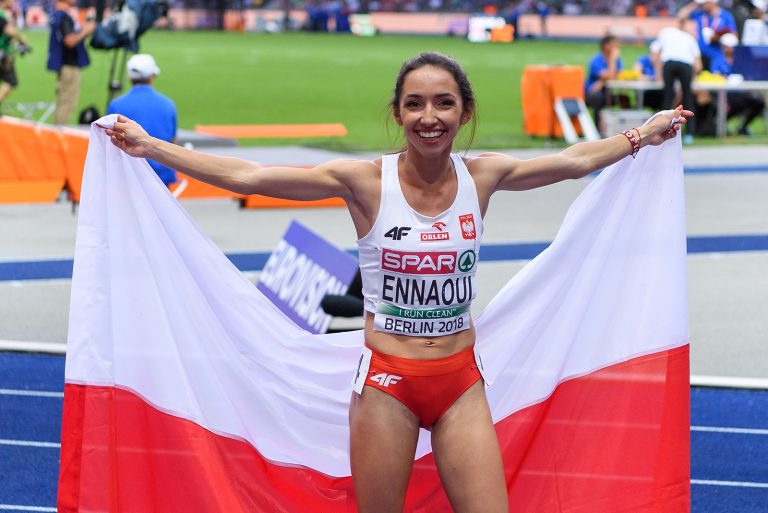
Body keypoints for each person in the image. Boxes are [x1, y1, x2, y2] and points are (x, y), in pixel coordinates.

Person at [104, 51, 692, 513]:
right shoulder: (363, 182)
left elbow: (573, 161)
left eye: (443, 104)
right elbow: (250, 176)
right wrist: (151, 147)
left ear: (465, 113)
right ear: (397, 113)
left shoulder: (483, 176)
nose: (429, 118)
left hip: (460, 384)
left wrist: (643, 134)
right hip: (387, 384)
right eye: (415, 104)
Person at [107, 54, 178, 187]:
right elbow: (172, 141)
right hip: (162, 175)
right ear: (151, 77)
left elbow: (110, 142)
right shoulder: (168, 104)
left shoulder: (116, 105)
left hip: (128, 176)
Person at [47, 0, 95, 125]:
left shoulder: (56, 15)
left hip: (62, 64)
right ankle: (60, 133)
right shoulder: (64, 16)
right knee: (67, 103)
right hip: (69, 65)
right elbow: (70, 41)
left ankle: (57, 131)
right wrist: (86, 30)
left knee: (62, 101)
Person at [655, 19, 702, 142]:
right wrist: (692, 77)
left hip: (669, 64)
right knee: (688, 98)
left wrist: (658, 74)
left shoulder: (667, 32)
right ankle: (690, 132)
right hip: (686, 66)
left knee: (668, 96)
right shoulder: (690, 39)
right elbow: (698, 66)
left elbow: (655, 53)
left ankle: (661, 129)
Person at [710, 32, 766, 135]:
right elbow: (715, 77)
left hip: (742, 93)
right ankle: (717, 128)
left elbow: (748, 74)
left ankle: (743, 127)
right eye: (729, 46)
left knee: (759, 102)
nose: (731, 49)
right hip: (727, 96)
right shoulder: (718, 59)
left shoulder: (740, 59)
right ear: (723, 47)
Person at [677, 0, 737, 69]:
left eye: (704, 4)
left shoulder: (726, 16)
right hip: (699, 51)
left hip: (716, 50)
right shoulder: (699, 14)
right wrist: (694, 4)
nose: (702, 6)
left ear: (711, 2)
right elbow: (681, 16)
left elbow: (734, 35)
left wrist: (717, 37)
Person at [585, 35, 624, 132]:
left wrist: (602, 82)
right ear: (606, 46)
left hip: (608, 90)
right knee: (598, 97)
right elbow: (610, 76)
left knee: (624, 99)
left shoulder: (617, 60)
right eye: (614, 45)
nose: (617, 47)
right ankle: (598, 128)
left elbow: (617, 76)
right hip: (592, 93)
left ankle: (623, 127)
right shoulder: (596, 60)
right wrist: (612, 60)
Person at [0, 0, 28, 108]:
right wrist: (21, 37)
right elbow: (9, 31)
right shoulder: (1, 14)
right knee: (11, 81)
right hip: (2, 53)